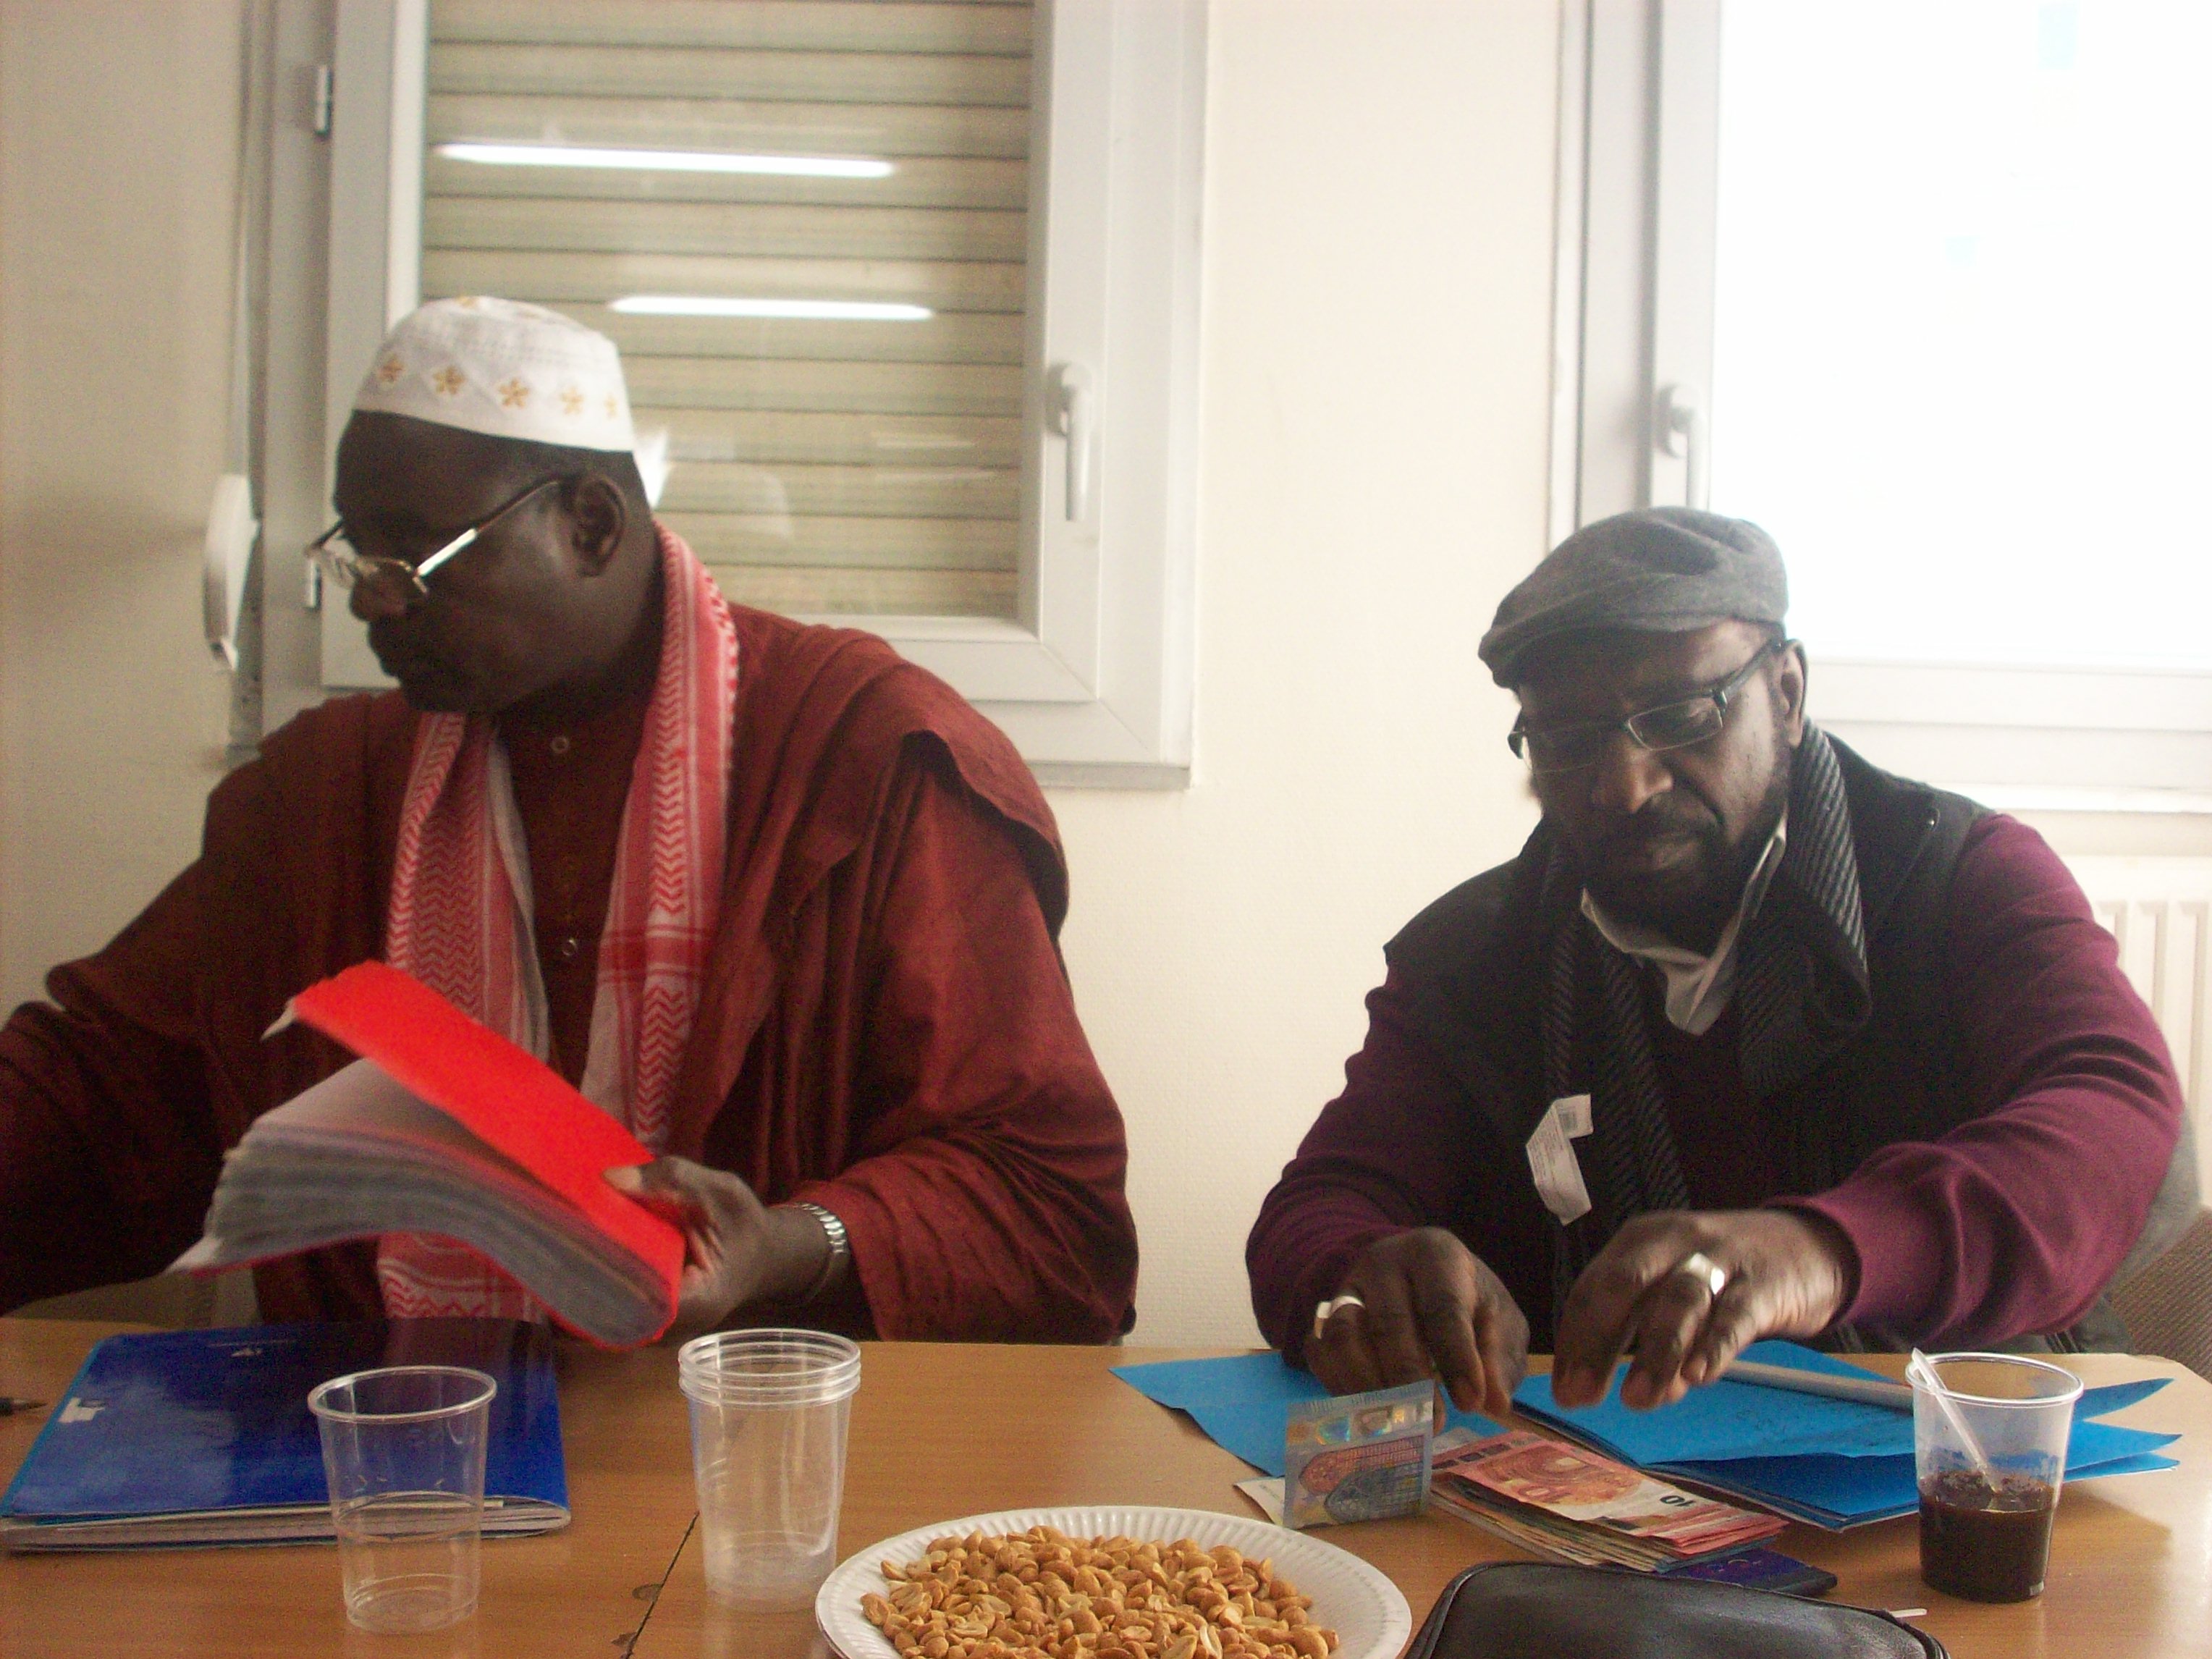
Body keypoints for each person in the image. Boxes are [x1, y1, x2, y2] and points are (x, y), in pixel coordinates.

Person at [0, 297, 1138, 1343]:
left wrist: (791, 1246)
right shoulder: (328, 793)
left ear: (593, 525)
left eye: (414, 559)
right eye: (359, 554)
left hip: (769, 1459)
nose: (373, 601)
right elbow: (111, 1094)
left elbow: (1043, 1198)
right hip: (401, 1455)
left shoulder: (865, 761)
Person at [1247, 507, 2191, 1418]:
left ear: (1785, 693)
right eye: (1568, 740)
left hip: (1953, 1463)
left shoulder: (1954, 875)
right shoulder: (1475, 955)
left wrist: (1823, 1251)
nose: (1625, 785)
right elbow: (1326, 1201)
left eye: (1680, 714)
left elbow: (2116, 1114)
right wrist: (1361, 1274)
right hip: (1615, 1492)